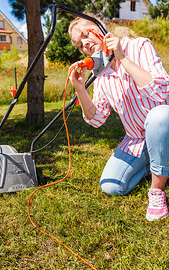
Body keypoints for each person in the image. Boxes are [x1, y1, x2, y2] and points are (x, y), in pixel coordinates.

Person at [68, 16, 169, 221]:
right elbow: (96, 118)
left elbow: (161, 91)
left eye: (86, 34)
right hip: (136, 140)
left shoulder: (140, 45)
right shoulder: (101, 72)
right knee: (111, 185)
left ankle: (157, 190)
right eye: (80, 45)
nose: (85, 44)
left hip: (163, 126)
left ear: (100, 27)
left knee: (160, 115)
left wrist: (122, 57)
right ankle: (157, 162)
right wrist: (80, 89)